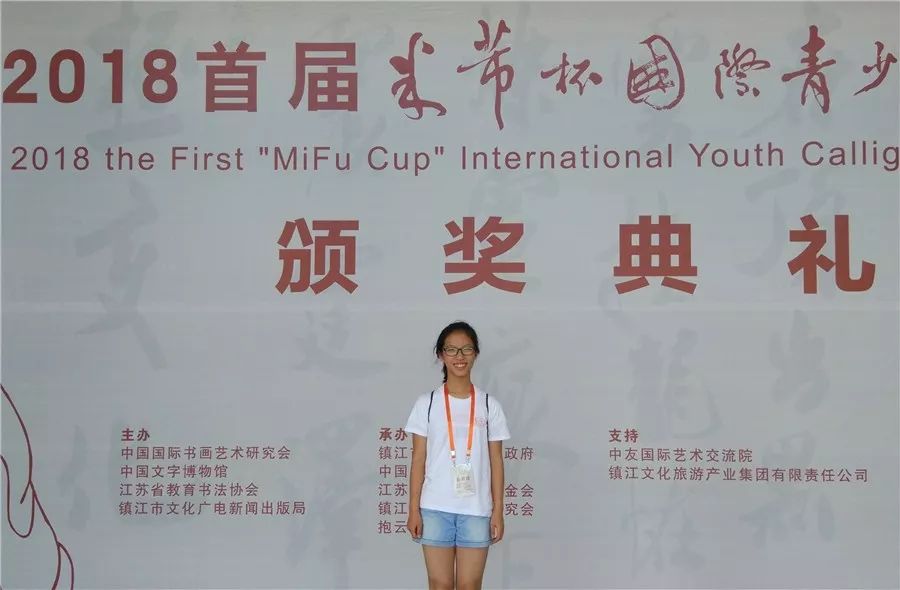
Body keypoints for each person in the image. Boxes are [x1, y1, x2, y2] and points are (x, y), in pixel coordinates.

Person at [404, 321, 511, 590]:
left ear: (476, 353)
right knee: (439, 584)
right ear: (441, 354)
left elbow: (496, 461)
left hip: (476, 509)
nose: (459, 356)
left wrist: (498, 511)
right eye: (451, 349)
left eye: (466, 349)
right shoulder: (427, 403)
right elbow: (418, 459)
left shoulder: (489, 405)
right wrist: (413, 509)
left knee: (469, 585)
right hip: (434, 508)